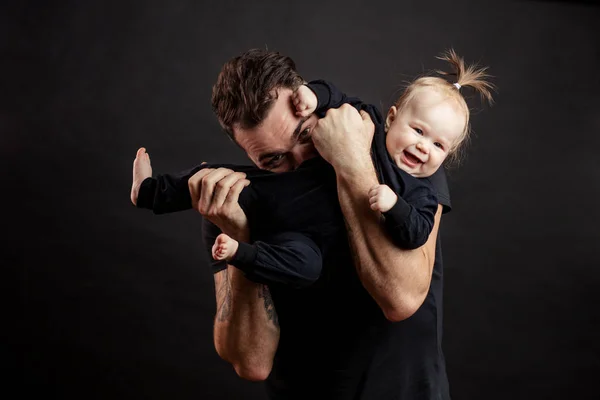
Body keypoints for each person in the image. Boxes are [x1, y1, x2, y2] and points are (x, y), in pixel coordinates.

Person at [130, 49, 492, 399]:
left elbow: (401, 299)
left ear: (312, 105)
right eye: (273, 159)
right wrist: (238, 235)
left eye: (305, 135)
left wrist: (351, 161)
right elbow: (251, 363)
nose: (301, 161)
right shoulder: (237, 201)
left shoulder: (403, 161)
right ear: (248, 156)